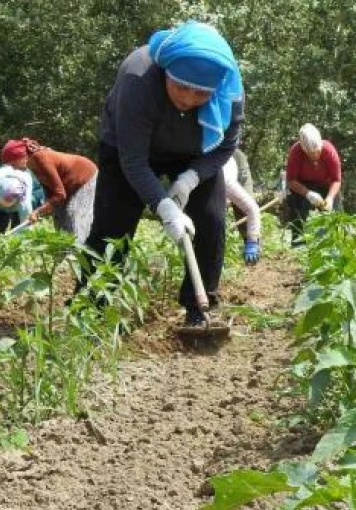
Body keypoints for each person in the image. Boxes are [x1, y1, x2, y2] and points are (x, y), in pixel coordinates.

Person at [82, 21, 243, 325]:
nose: (187, 99)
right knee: (112, 225)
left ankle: (199, 308)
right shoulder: (138, 78)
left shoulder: (228, 89)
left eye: (200, 94)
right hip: (128, 148)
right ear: (167, 72)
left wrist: (191, 177)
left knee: (210, 219)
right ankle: (90, 307)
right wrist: (164, 207)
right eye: (181, 86)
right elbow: (133, 161)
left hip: (196, 151)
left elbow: (226, 148)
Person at [15, 138, 99, 243]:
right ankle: (63, 251)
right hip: (68, 185)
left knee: (73, 213)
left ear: (21, 158)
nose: (13, 168)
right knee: (58, 215)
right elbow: (50, 190)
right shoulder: (33, 166)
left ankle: (78, 253)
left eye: (13, 163)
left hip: (85, 176)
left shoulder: (42, 159)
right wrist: (44, 209)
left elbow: (60, 195)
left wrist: (37, 212)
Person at [284, 123, 341, 244]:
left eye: (317, 151)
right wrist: (308, 193)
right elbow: (291, 181)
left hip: (326, 185)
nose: (315, 155)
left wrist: (330, 198)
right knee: (297, 208)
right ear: (304, 149)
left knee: (335, 217)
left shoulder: (329, 151)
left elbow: (336, 180)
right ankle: (298, 243)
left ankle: (333, 243)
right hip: (303, 186)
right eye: (311, 153)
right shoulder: (295, 152)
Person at [223, 148, 261, 264]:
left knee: (242, 210)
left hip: (235, 163)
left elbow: (252, 209)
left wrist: (252, 241)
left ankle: (254, 248)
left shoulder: (226, 181)